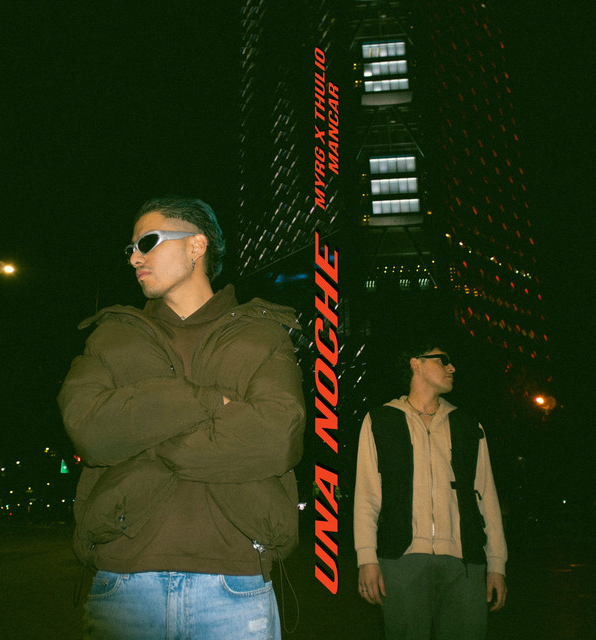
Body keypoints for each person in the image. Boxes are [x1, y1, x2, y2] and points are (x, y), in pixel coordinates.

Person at [58, 195, 305, 640]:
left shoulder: (261, 333)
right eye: (131, 248)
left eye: (147, 242)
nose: (134, 258)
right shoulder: (112, 336)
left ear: (196, 245)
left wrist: (144, 431)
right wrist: (209, 403)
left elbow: (278, 438)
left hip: (237, 582)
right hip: (124, 583)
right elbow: (89, 430)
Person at [353, 343, 507, 640]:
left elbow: (487, 497)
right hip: (401, 560)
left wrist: (497, 564)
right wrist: (367, 559)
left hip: (464, 563)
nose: (452, 368)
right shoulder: (380, 420)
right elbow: (367, 498)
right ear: (416, 364)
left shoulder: (468, 424)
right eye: (443, 360)